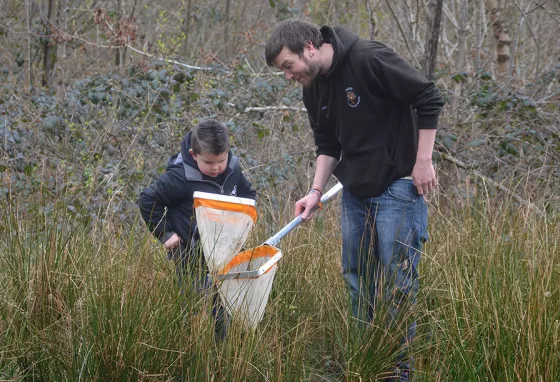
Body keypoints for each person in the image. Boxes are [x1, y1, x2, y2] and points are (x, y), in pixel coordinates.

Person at [265, 20, 444, 380]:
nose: (288, 76)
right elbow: (328, 144)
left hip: (398, 187)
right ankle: (367, 366)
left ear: (309, 48)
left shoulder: (369, 58)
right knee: (357, 277)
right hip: (354, 195)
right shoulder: (313, 88)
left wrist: (423, 160)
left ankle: (397, 372)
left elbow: (428, 96)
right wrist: (315, 191)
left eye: (288, 65)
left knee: (397, 283)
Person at [138, 119, 256, 341]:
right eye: (209, 162)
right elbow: (147, 200)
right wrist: (165, 234)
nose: (216, 168)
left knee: (227, 305)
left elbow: (249, 195)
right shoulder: (179, 177)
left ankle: (223, 351)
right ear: (193, 154)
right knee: (196, 306)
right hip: (189, 254)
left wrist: (242, 221)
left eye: (221, 160)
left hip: (226, 252)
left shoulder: (232, 169)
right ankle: (193, 350)